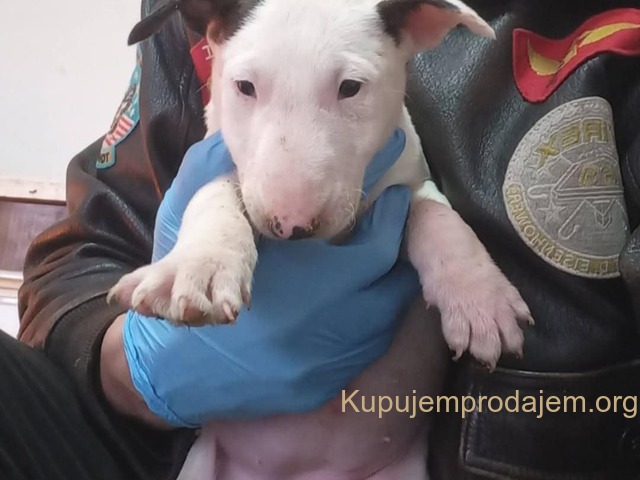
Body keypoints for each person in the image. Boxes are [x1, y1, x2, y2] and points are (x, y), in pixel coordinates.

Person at [3, 0, 640, 479]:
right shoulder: (226, 23)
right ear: (211, 41)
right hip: (213, 459)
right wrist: (135, 368)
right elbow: (79, 257)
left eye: (350, 88)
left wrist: (458, 265)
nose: (291, 215)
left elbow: (418, 201)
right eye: (245, 89)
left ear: (425, 26)